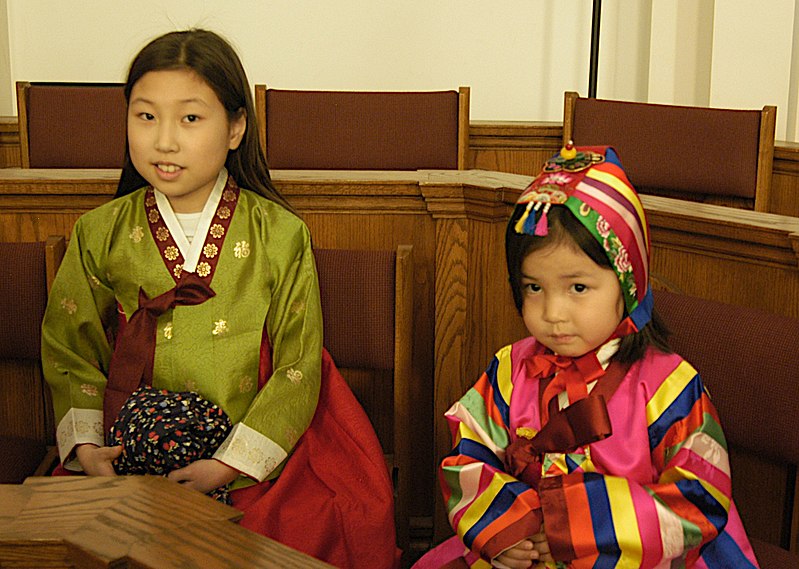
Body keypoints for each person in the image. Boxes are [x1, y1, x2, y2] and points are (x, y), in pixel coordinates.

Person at [41, 28, 398, 568]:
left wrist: (228, 465)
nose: (165, 140)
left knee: (314, 521)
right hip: (125, 446)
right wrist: (90, 449)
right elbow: (70, 348)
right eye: (145, 116)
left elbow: (299, 364)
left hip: (250, 446)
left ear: (235, 127)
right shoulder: (100, 232)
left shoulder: (280, 233)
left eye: (190, 118)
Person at [414, 145, 759, 568]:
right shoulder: (510, 369)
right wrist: (506, 530)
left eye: (577, 288)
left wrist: (577, 525)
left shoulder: (669, 387)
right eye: (533, 288)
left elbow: (701, 498)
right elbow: (468, 451)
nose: (553, 314)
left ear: (628, 283)